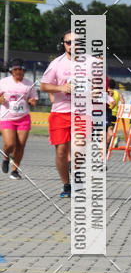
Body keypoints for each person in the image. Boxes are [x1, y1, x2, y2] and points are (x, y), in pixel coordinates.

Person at [41, 32, 73, 198]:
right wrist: (61, 88)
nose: (72, 45)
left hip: (83, 113)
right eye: (69, 42)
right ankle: (66, 185)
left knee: (80, 150)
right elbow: (43, 86)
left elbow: (99, 85)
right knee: (61, 152)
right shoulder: (56, 64)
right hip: (60, 112)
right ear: (64, 44)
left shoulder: (89, 63)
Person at [0, 59, 38, 179]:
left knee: (20, 145)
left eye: (20, 69)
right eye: (15, 69)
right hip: (7, 117)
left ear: (24, 70)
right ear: (11, 71)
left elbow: (34, 99)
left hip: (23, 118)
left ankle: (15, 170)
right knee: (10, 144)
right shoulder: (4, 82)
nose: (18, 72)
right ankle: (6, 157)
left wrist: (32, 101)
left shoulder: (29, 83)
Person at [106, 79, 123, 145]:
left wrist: (109, 108)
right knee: (109, 130)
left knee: (105, 131)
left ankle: (114, 138)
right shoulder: (118, 93)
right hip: (115, 114)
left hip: (107, 113)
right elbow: (123, 102)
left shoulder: (106, 92)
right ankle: (107, 147)